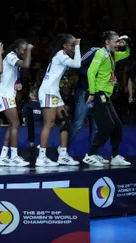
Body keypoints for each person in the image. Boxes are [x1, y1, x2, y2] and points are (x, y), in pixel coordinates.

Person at [83, 32, 131, 167]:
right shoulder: (101, 53)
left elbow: (127, 53)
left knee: (118, 126)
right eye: (115, 42)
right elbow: (90, 72)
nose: (117, 44)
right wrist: (92, 93)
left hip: (105, 96)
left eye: (118, 42)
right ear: (107, 42)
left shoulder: (112, 55)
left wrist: (126, 42)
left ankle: (115, 156)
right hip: (96, 94)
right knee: (108, 126)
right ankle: (90, 154)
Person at [36, 34, 81, 167]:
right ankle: (41, 157)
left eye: (75, 45)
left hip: (54, 92)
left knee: (65, 121)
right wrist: (78, 46)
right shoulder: (61, 55)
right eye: (71, 45)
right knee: (49, 124)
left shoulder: (62, 55)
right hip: (48, 92)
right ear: (64, 46)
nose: (74, 48)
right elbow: (77, 64)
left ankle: (63, 155)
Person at [0, 39, 33, 167]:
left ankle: (3, 156)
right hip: (4, 95)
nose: (24, 52)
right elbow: (26, 65)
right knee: (16, 123)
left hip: (7, 95)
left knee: (13, 124)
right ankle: (14, 157)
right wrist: (30, 50)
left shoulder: (11, 56)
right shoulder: (11, 56)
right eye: (23, 50)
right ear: (16, 49)